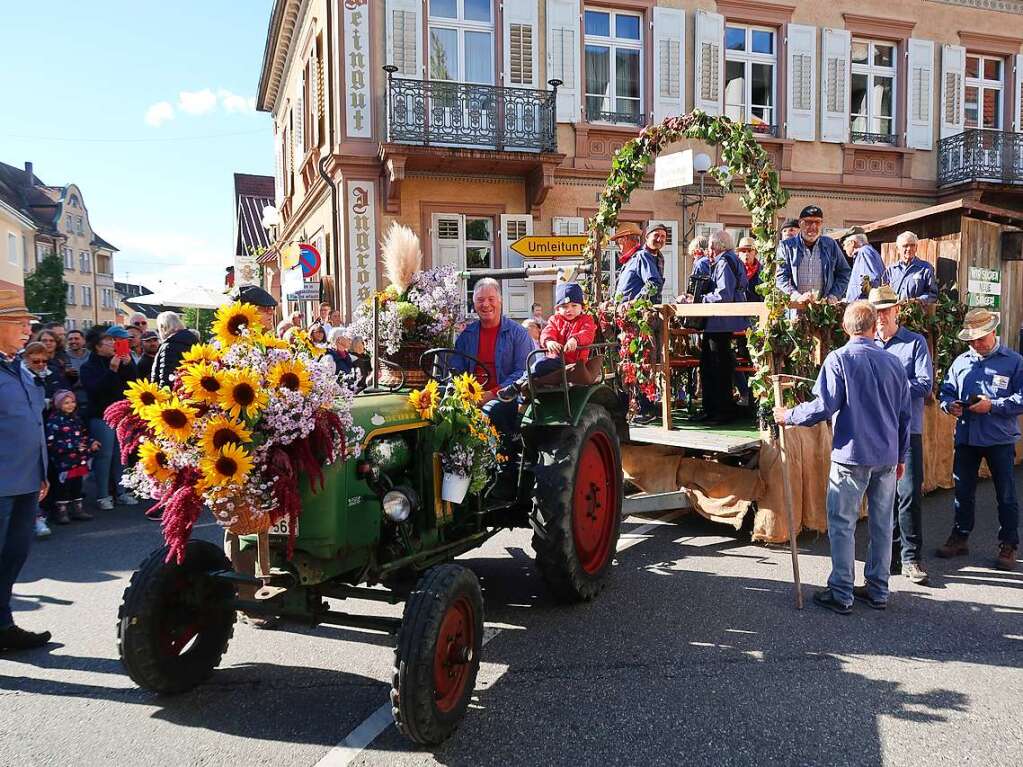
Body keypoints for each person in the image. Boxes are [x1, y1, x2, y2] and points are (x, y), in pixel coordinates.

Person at [775, 301, 910, 614]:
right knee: (881, 525)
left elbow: (824, 406)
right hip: (887, 456)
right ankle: (878, 590)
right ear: (874, 324)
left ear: (847, 327)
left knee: (843, 525)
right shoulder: (892, 362)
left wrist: (789, 415)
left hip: (852, 456)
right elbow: (905, 416)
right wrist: (901, 454)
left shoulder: (839, 358)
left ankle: (842, 591)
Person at [937, 308, 1022, 571]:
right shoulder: (961, 361)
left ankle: (1008, 544)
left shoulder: (1015, 362)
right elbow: (946, 392)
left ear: (992, 332)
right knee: (963, 493)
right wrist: (949, 406)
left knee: (1005, 494)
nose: (976, 344)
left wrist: (993, 405)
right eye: (971, 340)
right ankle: (960, 537)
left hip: (999, 439)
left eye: (980, 338)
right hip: (966, 437)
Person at [0, 289, 51, 651]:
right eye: (19, 323)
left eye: (28, 323)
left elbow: (33, 423)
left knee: (14, 555)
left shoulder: (18, 366)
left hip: (27, 480)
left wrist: (42, 472)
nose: (27, 329)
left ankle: (3, 624)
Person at [871, 286, 933, 584]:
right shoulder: (867, 344)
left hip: (907, 430)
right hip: (877, 432)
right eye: (876, 311)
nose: (881, 316)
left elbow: (924, 385)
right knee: (884, 497)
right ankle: (890, 558)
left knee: (908, 494)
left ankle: (911, 558)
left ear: (897, 311)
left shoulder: (914, 343)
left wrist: (888, 387)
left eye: (885, 310)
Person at [452, 278, 534, 437]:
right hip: (470, 396)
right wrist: (465, 392)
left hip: (507, 398)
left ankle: (502, 456)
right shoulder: (466, 336)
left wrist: (491, 394)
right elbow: (456, 369)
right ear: (474, 304)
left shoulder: (518, 334)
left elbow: (523, 373)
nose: (486, 304)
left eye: (491, 299)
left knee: (491, 411)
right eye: (480, 300)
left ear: (500, 301)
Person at [497, 282, 596, 402]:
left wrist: (575, 339)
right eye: (564, 307)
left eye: (574, 305)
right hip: (556, 359)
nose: (569, 310)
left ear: (582, 307)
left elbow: (587, 333)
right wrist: (549, 342)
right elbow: (546, 332)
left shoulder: (586, 320)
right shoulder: (555, 320)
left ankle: (517, 386)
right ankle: (523, 393)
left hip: (574, 362)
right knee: (540, 365)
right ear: (558, 309)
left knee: (541, 365)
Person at [691, 230, 747, 424]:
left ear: (716, 247)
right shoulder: (730, 260)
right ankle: (711, 408)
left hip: (721, 322)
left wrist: (698, 299)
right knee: (709, 364)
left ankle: (721, 411)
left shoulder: (725, 262)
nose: (708, 251)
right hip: (719, 322)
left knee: (717, 366)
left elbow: (724, 295)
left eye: (710, 247)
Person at [80, 325, 139, 511]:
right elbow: (96, 390)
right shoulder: (88, 366)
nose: (114, 344)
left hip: (120, 414)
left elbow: (133, 383)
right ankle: (103, 495)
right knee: (104, 455)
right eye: (109, 342)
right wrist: (112, 370)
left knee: (120, 454)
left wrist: (128, 365)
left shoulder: (120, 360)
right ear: (98, 346)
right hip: (101, 415)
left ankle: (122, 491)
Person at [775, 205, 851, 303]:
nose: (813, 227)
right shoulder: (787, 247)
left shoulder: (830, 245)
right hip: (795, 308)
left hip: (823, 310)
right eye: (808, 222)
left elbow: (844, 272)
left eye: (817, 222)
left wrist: (834, 295)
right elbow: (781, 278)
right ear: (800, 223)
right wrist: (796, 297)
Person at [45, 390, 97, 525]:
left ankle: (78, 509)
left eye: (72, 402)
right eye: (66, 403)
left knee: (77, 485)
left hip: (79, 460)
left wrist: (91, 442)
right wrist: (73, 446)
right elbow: (51, 442)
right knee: (63, 486)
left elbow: (84, 435)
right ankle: (61, 511)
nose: (70, 405)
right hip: (63, 462)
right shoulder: (54, 421)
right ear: (58, 404)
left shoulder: (76, 418)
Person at [883, 231, 938, 303]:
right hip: (894, 312)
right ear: (898, 249)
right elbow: (883, 293)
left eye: (912, 245)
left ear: (916, 247)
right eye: (905, 246)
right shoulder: (891, 270)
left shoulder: (926, 269)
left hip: (916, 312)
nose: (909, 248)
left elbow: (932, 294)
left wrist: (918, 301)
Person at [151, 311, 195, 387]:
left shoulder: (168, 346)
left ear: (162, 327)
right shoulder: (193, 342)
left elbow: (165, 376)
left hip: (173, 392)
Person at [844, 233, 885, 302]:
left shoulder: (864, 252)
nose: (844, 248)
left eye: (844, 245)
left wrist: (860, 302)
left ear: (852, 243)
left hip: (863, 304)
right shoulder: (870, 251)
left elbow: (868, 281)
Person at [736, 236, 762, 302]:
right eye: (743, 251)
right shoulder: (733, 270)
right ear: (738, 254)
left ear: (755, 252)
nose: (746, 254)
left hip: (757, 309)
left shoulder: (763, 271)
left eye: (750, 251)